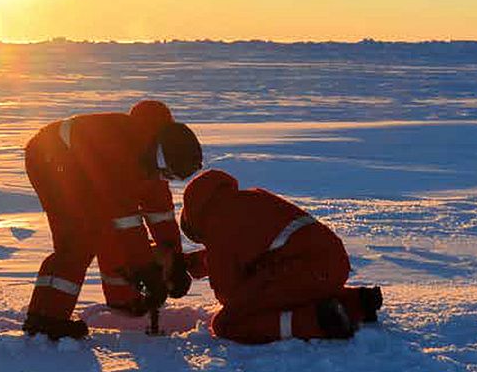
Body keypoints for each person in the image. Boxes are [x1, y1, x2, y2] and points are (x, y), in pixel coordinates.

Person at [22, 100, 203, 340]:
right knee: (78, 240)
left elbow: (161, 215)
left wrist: (175, 260)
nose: (165, 179)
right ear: (160, 158)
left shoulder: (151, 159)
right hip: (51, 161)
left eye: (170, 177)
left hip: (82, 167)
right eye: (167, 173)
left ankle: (121, 300)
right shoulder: (121, 153)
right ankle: (47, 319)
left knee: (103, 232)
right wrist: (146, 269)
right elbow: (124, 218)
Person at [179, 169, 383, 344]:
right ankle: (357, 302)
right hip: (332, 264)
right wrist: (194, 263)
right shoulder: (249, 198)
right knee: (279, 290)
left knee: (227, 323)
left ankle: (319, 322)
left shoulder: (216, 225)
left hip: (306, 270)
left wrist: (229, 275)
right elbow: (247, 249)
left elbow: (229, 294)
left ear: (197, 225)